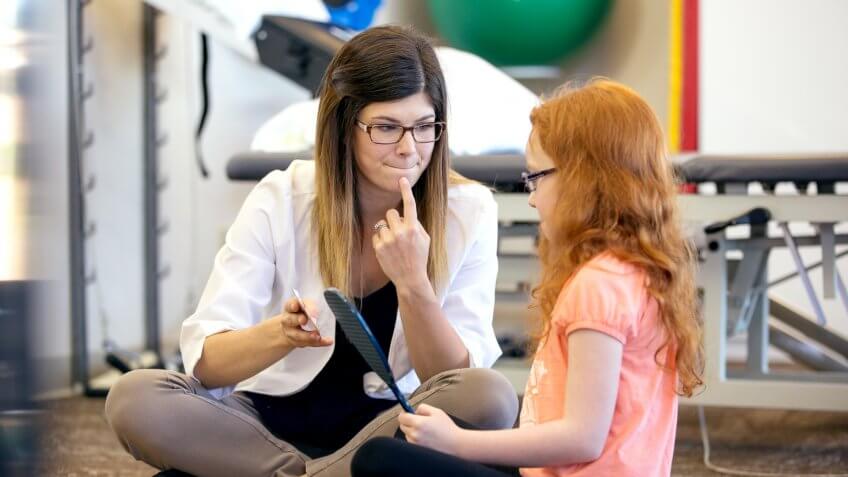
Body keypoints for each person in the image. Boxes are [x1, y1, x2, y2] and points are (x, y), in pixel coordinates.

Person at [104, 25, 518, 477]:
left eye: (424, 127)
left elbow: (451, 380)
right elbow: (207, 364)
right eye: (386, 128)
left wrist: (414, 284)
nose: (409, 149)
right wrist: (281, 334)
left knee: (491, 397)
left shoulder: (469, 211)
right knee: (132, 398)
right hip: (264, 424)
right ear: (344, 126)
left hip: (388, 428)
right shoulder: (281, 197)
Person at [351, 78, 704, 477]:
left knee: (379, 458)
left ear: (583, 178)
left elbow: (582, 437)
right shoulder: (638, 273)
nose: (532, 196)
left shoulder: (598, 285)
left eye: (536, 178)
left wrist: (457, 442)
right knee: (414, 437)